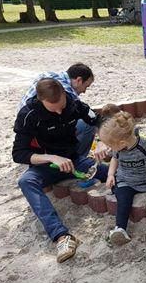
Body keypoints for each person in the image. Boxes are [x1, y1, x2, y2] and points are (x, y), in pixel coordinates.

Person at [13, 78, 108, 263]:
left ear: (65, 94)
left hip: (75, 162)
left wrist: (103, 140)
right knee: (26, 181)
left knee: (111, 172)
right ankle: (61, 236)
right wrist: (51, 157)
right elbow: (19, 153)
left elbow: (99, 120)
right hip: (46, 166)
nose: (58, 111)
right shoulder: (28, 115)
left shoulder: (73, 104)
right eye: (52, 108)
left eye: (61, 106)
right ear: (40, 100)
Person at [99, 111, 146, 245]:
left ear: (121, 142)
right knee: (123, 199)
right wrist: (110, 175)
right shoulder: (118, 149)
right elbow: (114, 160)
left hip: (145, 182)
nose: (110, 149)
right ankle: (120, 229)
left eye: (110, 146)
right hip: (125, 182)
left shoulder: (145, 146)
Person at [18, 63, 102, 158]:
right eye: (86, 87)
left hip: (25, 124)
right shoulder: (65, 93)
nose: (84, 91)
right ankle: (77, 157)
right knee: (85, 125)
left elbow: (92, 116)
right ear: (79, 80)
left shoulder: (49, 76)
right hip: (39, 133)